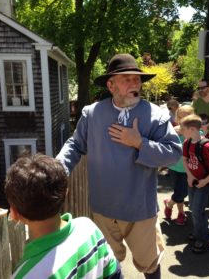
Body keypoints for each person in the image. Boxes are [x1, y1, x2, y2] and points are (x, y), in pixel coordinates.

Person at [57, 53, 182, 278]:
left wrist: (139, 143)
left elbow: (173, 153)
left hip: (140, 211)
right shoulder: (92, 114)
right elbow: (75, 145)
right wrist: (59, 168)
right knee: (108, 265)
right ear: (111, 84)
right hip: (104, 210)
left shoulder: (155, 115)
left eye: (137, 79)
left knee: (150, 265)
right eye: (127, 79)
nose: (135, 84)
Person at [5, 154, 122, 279]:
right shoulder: (88, 229)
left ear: (14, 214)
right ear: (66, 192)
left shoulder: (26, 275)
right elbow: (114, 272)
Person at [181, 114, 209, 253]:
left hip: (204, 183)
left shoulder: (206, 146)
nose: (181, 131)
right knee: (194, 210)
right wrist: (189, 176)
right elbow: (185, 159)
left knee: (197, 210)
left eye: (183, 129)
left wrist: (205, 181)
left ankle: (203, 239)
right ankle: (199, 232)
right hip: (192, 182)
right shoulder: (187, 142)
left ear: (193, 129)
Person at [164, 105, 194, 225]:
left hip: (190, 168)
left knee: (183, 192)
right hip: (175, 166)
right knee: (179, 191)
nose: (183, 120)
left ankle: (169, 203)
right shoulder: (173, 130)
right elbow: (165, 145)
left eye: (186, 116)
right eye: (180, 117)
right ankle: (181, 213)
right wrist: (173, 134)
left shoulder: (196, 130)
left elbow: (199, 140)